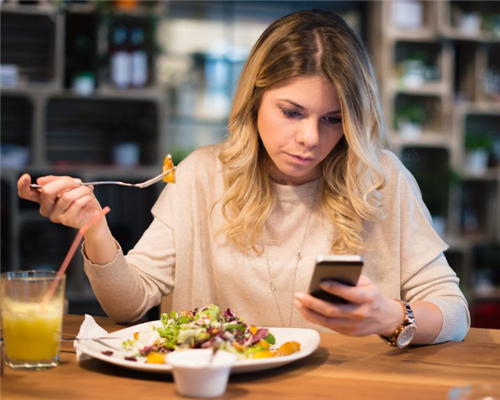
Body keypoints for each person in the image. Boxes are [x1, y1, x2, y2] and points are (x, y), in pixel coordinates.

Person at [18, 9, 469, 346]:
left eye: (334, 119)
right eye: (291, 112)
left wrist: (392, 317)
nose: (310, 138)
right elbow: (129, 304)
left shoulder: (381, 178)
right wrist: (93, 227)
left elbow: (454, 312)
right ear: (254, 101)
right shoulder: (200, 175)